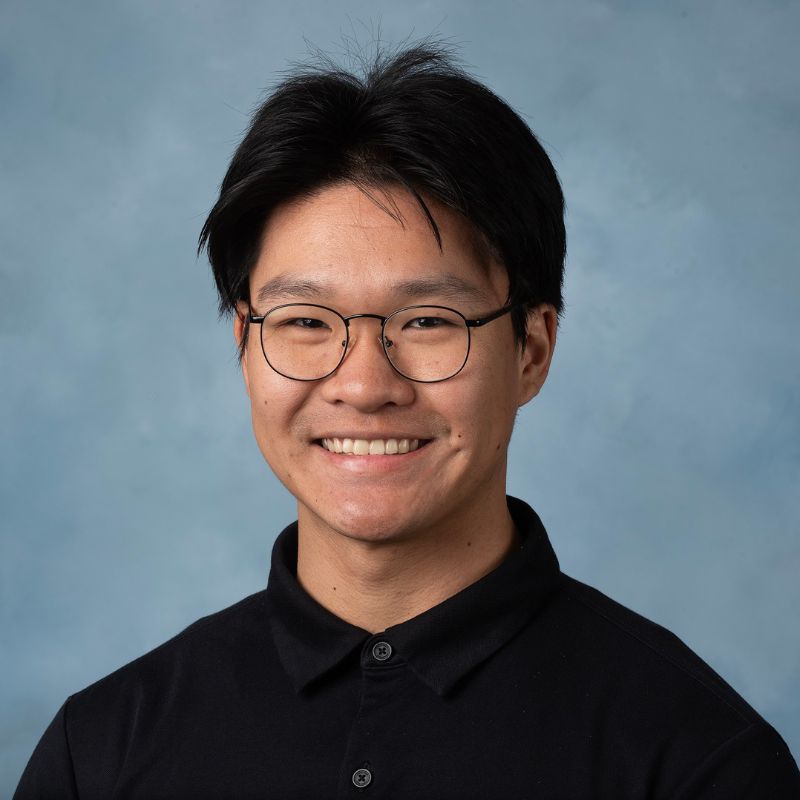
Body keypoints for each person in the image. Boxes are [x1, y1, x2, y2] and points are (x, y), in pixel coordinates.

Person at [15, 41, 799, 799]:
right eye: (306, 322)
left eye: (427, 322)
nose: (363, 384)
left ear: (532, 348)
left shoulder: (697, 757)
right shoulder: (103, 751)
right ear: (245, 347)